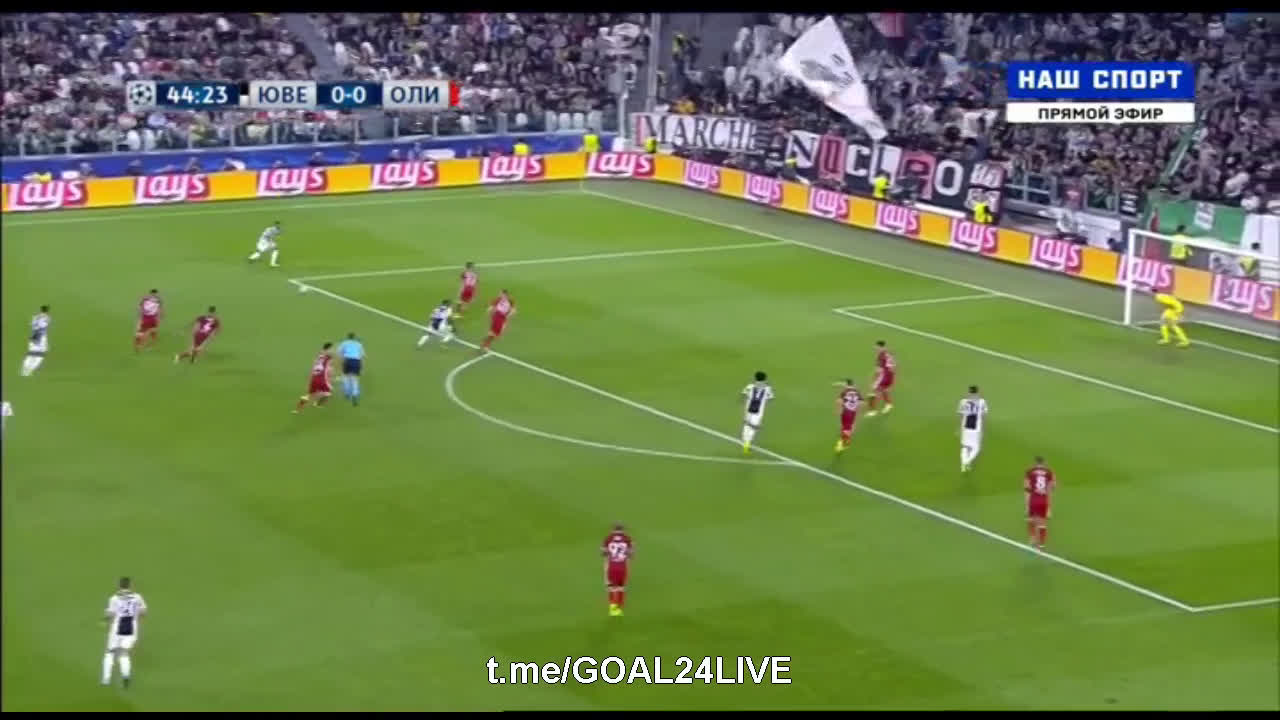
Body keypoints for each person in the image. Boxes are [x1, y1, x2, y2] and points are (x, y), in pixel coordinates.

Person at [102, 577, 147, 688]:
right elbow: (144, 612)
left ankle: (106, 679)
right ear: (130, 585)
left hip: (118, 626)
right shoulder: (137, 597)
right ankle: (126, 675)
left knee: (110, 652)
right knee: (124, 652)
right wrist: (136, 614)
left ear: (119, 586)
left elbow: (110, 614)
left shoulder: (114, 598)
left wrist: (104, 619)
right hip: (131, 627)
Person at [601, 524, 633, 617]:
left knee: (611, 587)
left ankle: (613, 610)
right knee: (621, 587)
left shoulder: (608, 539)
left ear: (613, 530)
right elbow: (631, 554)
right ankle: (619, 608)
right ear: (623, 530)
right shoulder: (627, 539)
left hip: (612, 566)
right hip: (623, 566)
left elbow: (603, 553)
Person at [741, 370, 774, 454]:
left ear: (755, 378)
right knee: (754, 426)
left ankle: (745, 441)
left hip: (748, 409)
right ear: (765, 379)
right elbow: (771, 398)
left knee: (747, 425)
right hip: (759, 410)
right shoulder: (768, 388)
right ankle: (748, 443)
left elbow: (744, 394)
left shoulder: (750, 386)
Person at [958, 385, 988, 473]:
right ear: (977, 392)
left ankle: (963, 464)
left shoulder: (963, 401)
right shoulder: (982, 402)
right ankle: (966, 462)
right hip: (976, 429)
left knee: (965, 446)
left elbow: (961, 415)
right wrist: (983, 428)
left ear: (969, 392)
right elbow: (983, 416)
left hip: (965, 428)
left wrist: (959, 428)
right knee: (976, 449)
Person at [21, 305, 51, 377]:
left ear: (40, 310)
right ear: (47, 311)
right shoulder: (47, 318)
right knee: (40, 355)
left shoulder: (35, 317)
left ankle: (24, 370)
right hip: (41, 337)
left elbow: (33, 325)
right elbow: (43, 326)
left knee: (31, 354)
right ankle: (29, 371)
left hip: (33, 336)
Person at [337, 332, 366, 405]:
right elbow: (362, 356)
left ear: (348, 337)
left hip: (347, 360)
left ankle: (347, 393)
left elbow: (339, 353)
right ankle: (355, 394)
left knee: (345, 377)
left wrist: (341, 362)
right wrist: (361, 367)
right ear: (354, 337)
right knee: (354, 379)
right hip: (356, 361)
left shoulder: (344, 343)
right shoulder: (359, 344)